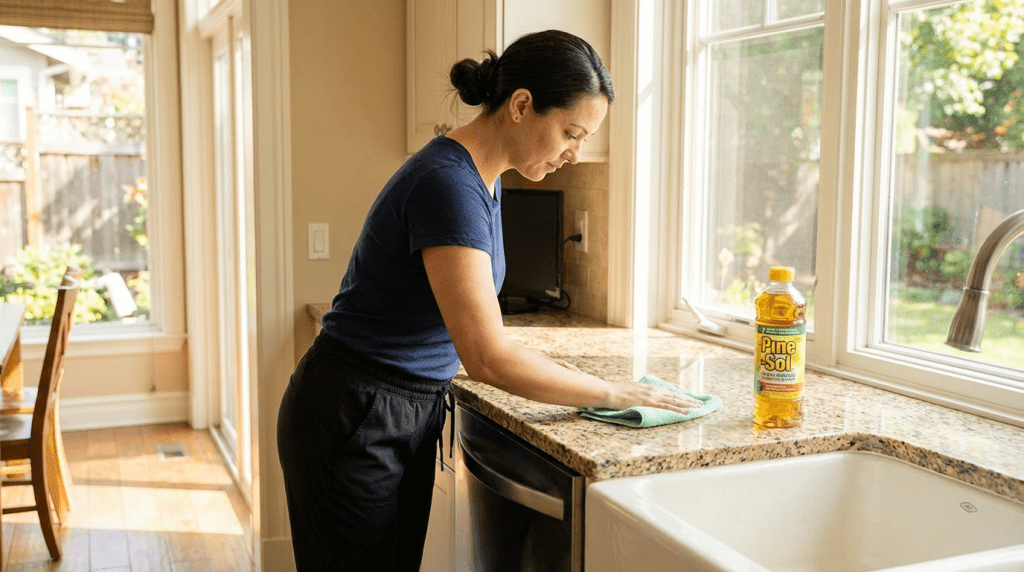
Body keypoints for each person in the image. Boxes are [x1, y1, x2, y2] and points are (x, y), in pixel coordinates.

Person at [276, 29, 702, 572]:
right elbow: (487, 357)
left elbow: (475, 323)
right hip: (357, 412)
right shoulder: (448, 184)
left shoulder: (484, 176)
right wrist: (613, 390)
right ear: (522, 105)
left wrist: (557, 370)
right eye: (572, 132)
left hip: (394, 405)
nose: (576, 153)